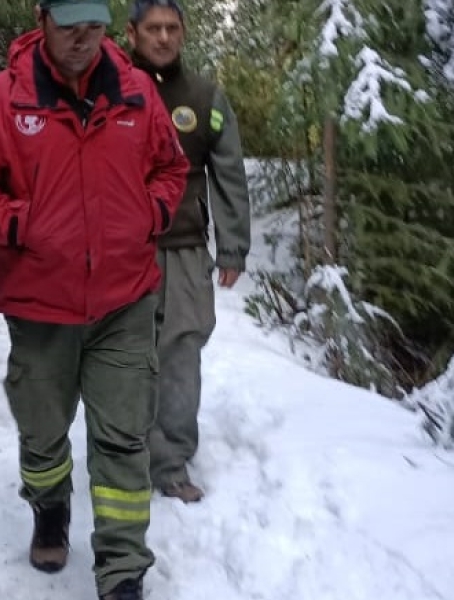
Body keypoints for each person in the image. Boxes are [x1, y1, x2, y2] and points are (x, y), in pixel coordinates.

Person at [0, 1, 188, 598]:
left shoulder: (136, 95)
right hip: (39, 304)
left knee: (123, 436)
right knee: (44, 432)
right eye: (68, 24)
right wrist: (19, 225)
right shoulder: (2, 99)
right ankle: (50, 508)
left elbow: (171, 170)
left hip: (124, 300)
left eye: (94, 25)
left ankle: (123, 567)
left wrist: (148, 213)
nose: (82, 38)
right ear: (41, 18)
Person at [125, 0, 252, 503]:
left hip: (182, 252)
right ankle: (124, 452)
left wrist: (233, 246)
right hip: (120, 252)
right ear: (131, 33)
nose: (162, 38)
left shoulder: (205, 97)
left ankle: (171, 461)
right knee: (124, 356)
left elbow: (230, 173)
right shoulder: (105, 89)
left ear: (183, 32)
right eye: (152, 28)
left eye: (171, 28)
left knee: (180, 355)